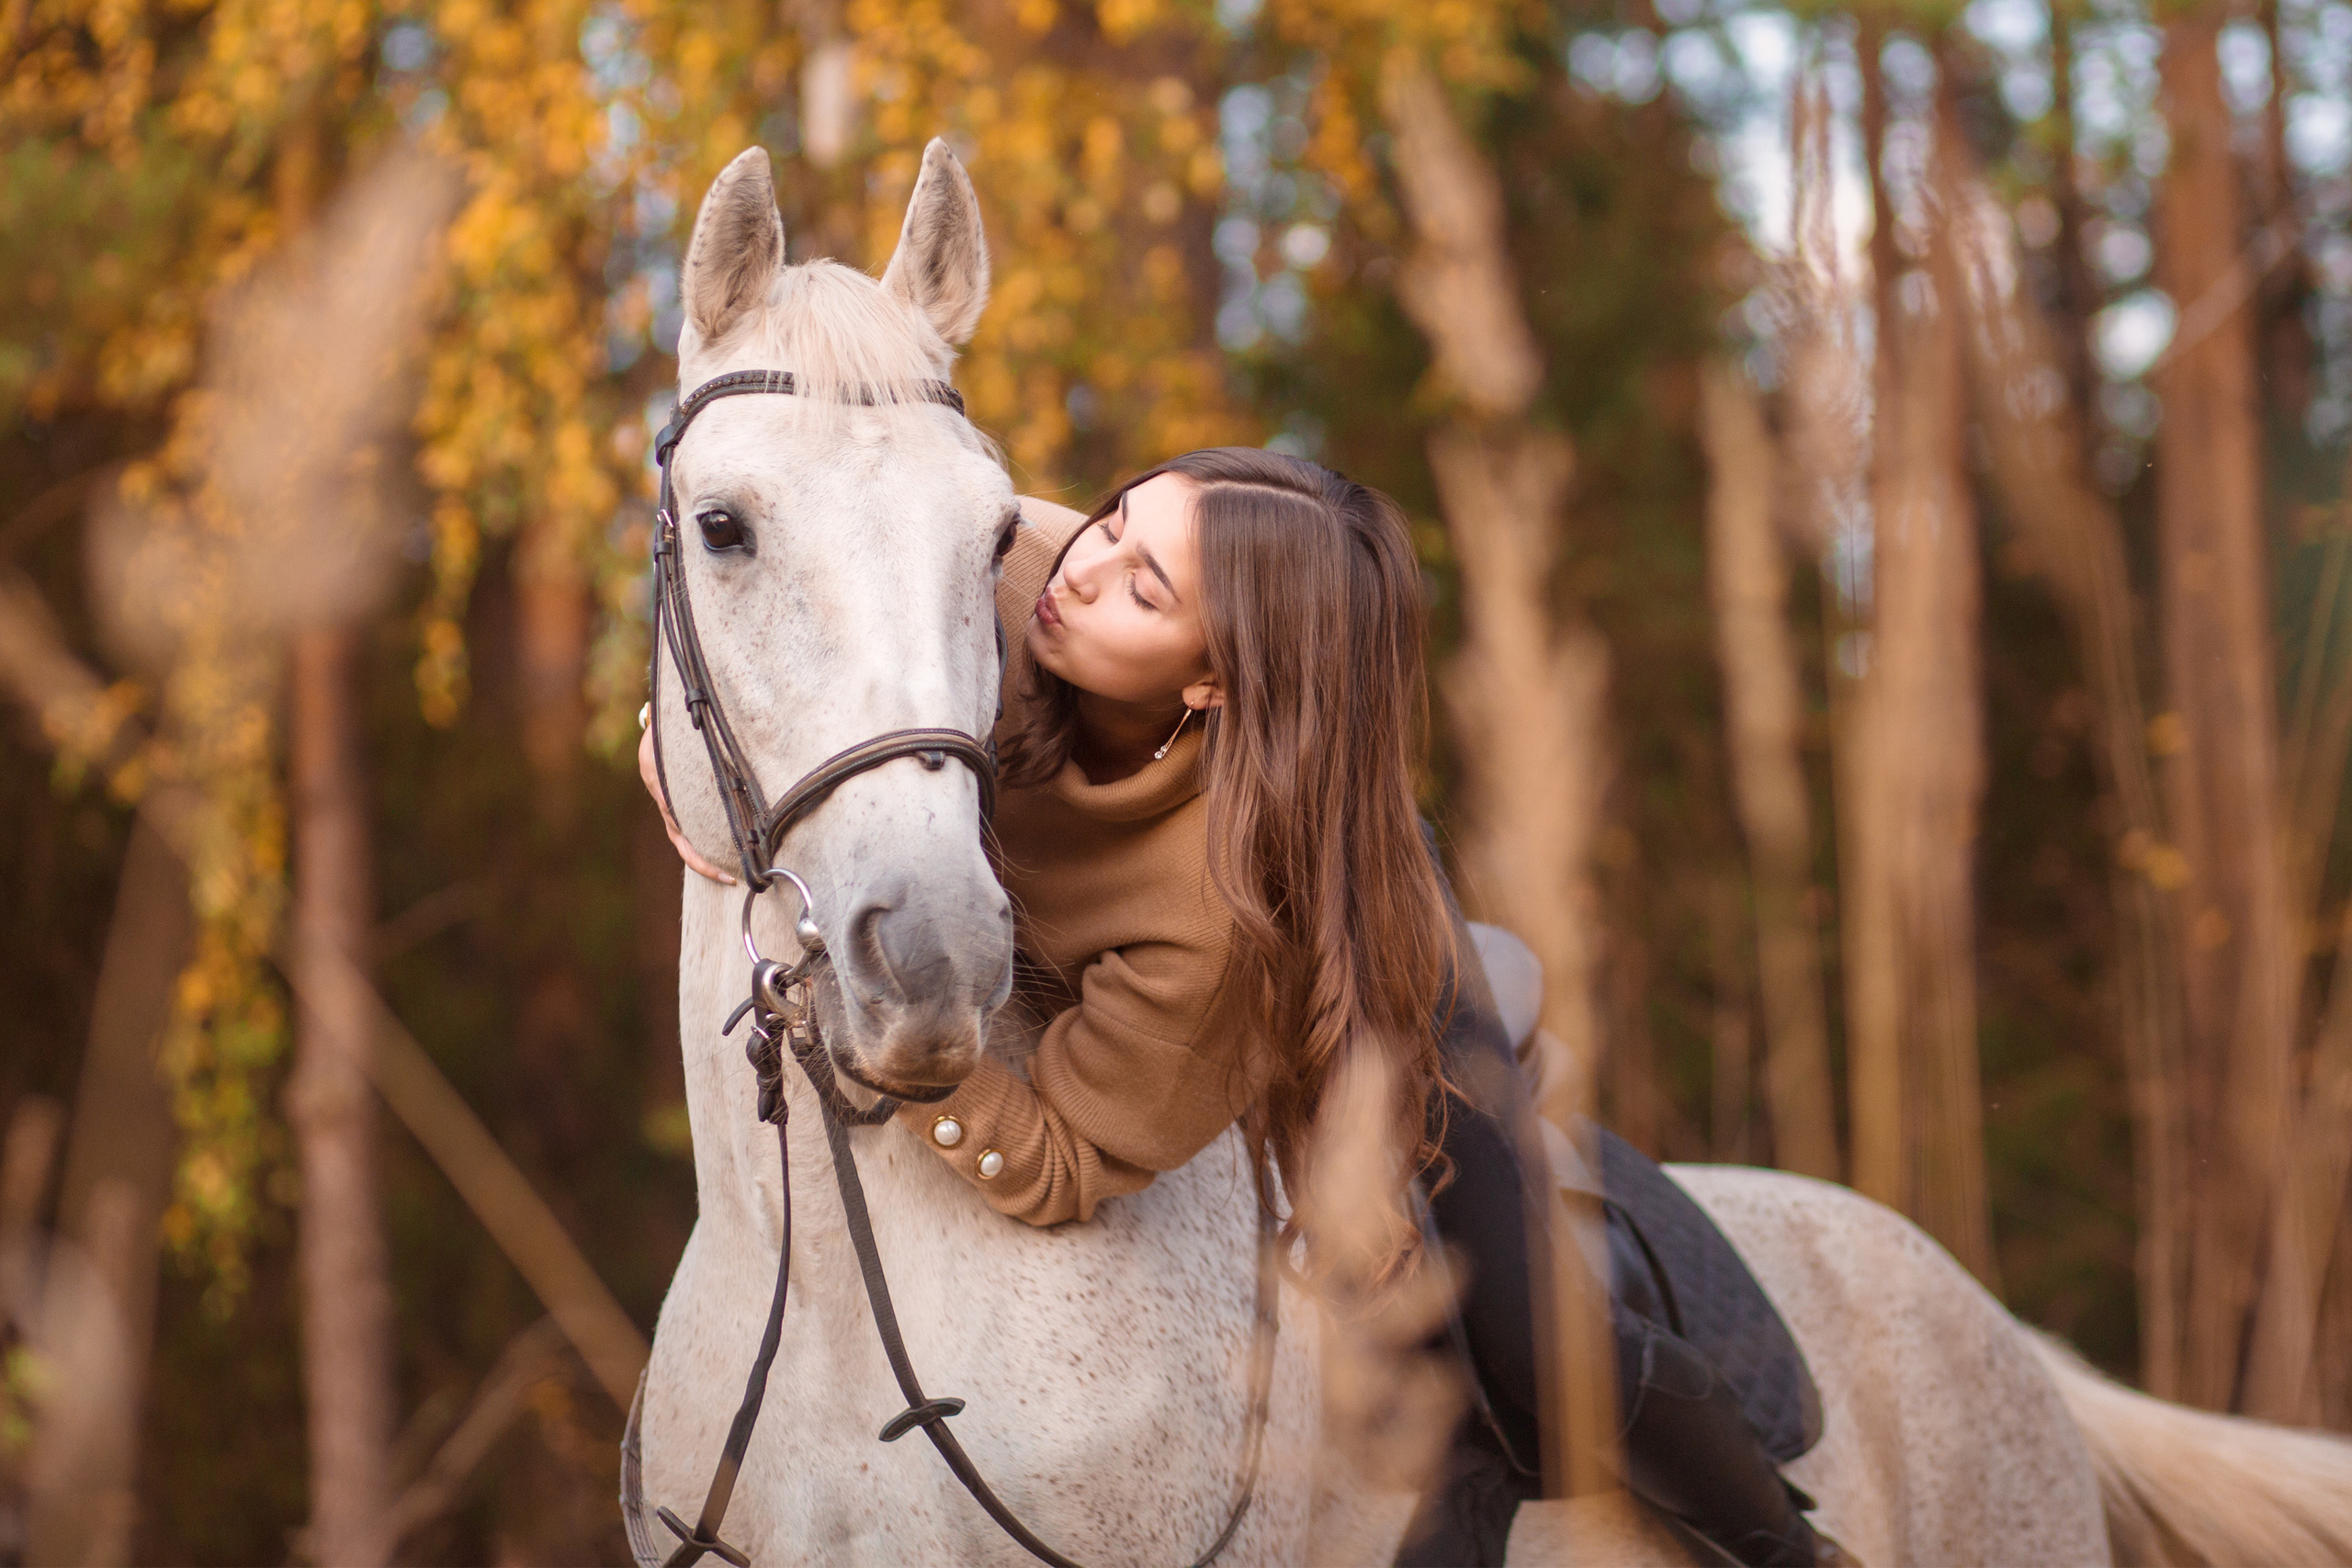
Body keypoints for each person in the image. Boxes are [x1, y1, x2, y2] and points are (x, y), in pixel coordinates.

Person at [642, 447, 1836, 1567]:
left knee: (1532, 1337)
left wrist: (918, 1058)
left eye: (1142, 588)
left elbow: (1065, 1156)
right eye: (1114, 519)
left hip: (1377, 968)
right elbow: (806, 585)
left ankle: (1790, 1546)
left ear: (1209, 678)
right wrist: (692, 748)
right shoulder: (1013, 566)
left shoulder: (1215, 916)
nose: (1082, 570)